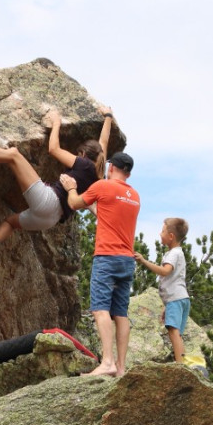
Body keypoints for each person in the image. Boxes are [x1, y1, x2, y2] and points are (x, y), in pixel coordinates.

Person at [0, 105, 114, 253]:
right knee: (11, 222)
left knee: (14, 154)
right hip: (50, 220)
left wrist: (56, 122)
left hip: (48, 201)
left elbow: (53, 149)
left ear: (84, 154)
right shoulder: (99, 178)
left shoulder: (84, 163)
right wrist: (107, 116)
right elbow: (103, 143)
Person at [61, 152, 140, 376]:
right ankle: (121, 368)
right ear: (129, 172)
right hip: (126, 260)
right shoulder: (134, 196)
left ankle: (107, 362)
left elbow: (74, 203)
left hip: (106, 257)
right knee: (121, 313)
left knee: (100, 309)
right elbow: (108, 214)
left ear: (112, 167)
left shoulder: (103, 186)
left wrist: (70, 188)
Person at [134, 218, 191, 363]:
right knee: (176, 333)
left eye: (163, 231)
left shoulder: (173, 254)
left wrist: (144, 261)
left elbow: (165, 271)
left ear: (171, 236)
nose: (160, 234)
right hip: (181, 298)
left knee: (173, 331)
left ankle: (180, 364)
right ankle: (182, 361)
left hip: (175, 299)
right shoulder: (178, 253)